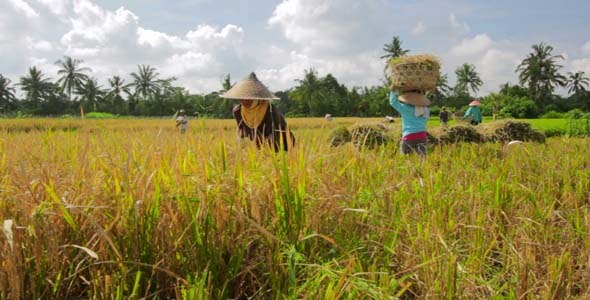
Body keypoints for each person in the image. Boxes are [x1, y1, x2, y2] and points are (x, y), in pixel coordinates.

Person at [221, 72, 295, 152]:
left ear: (257, 97)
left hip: (284, 146)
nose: (244, 101)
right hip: (260, 147)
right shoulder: (237, 111)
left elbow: (274, 137)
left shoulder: (270, 111)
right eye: (242, 97)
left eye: (249, 98)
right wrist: (240, 148)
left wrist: (271, 156)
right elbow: (241, 131)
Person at [389, 83, 430, 156]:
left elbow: (393, 102)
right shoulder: (426, 110)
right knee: (422, 161)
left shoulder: (405, 108)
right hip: (423, 137)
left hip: (409, 137)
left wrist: (393, 90)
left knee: (406, 161)